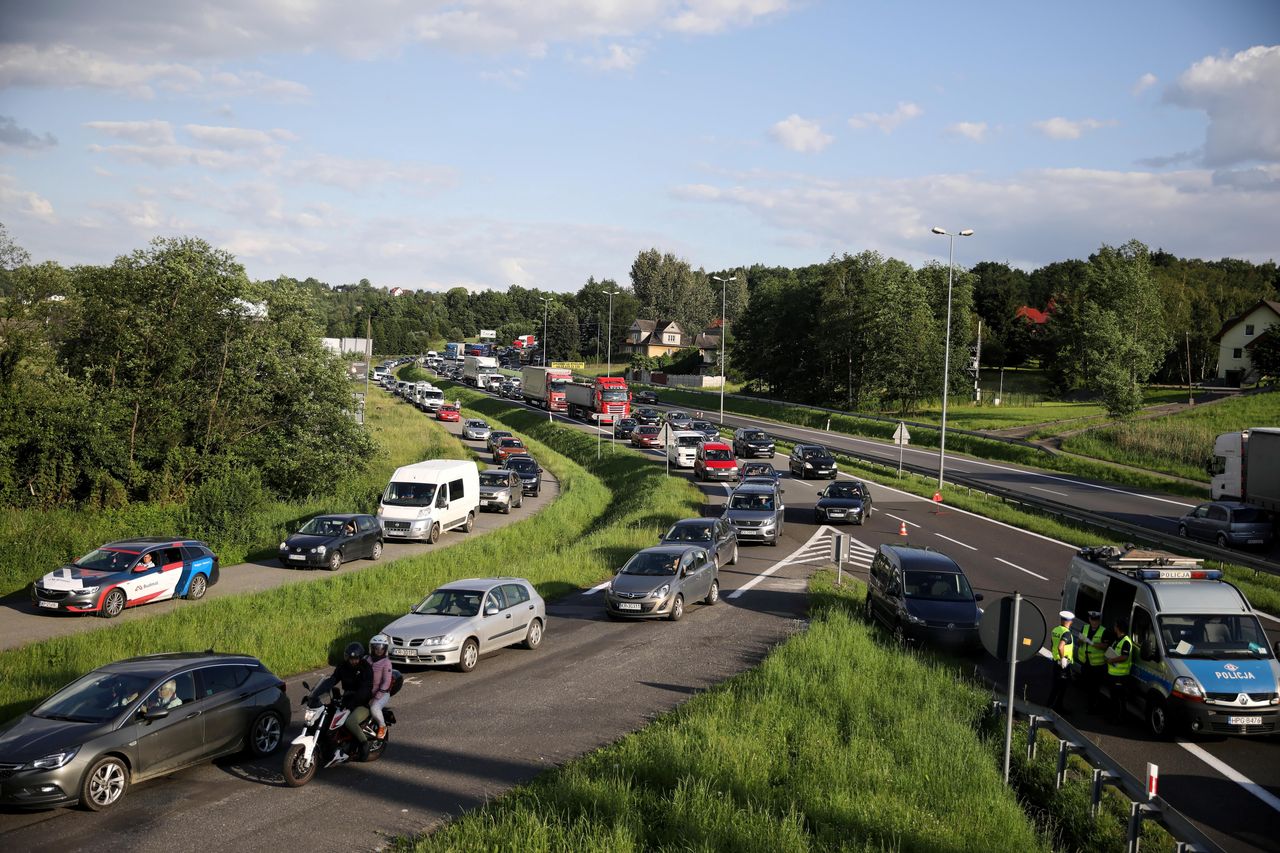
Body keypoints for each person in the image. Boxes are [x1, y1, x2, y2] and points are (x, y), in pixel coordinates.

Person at [329, 641, 374, 763]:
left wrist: (351, 704)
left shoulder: (366, 668)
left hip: (362, 702)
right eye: (350, 658)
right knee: (330, 715)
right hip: (347, 698)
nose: (353, 661)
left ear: (360, 658)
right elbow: (333, 679)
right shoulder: (342, 666)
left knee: (350, 721)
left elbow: (364, 691)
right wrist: (318, 691)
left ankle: (364, 744)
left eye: (356, 658)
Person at [1105, 617, 1135, 724]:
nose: (1114, 627)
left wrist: (1112, 659)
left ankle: (1119, 718)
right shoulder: (1117, 639)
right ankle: (1114, 716)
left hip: (1121, 676)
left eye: (1115, 626)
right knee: (1114, 697)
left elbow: (1124, 656)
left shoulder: (1126, 641)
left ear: (1118, 628)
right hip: (1113, 674)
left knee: (1119, 699)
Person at [1077, 611, 1108, 712]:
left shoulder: (1104, 631)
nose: (1094, 622)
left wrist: (1091, 642)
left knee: (1095, 687)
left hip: (1097, 665)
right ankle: (1090, 703)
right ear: (1089, 619)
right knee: (1087, 685)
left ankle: (1094, 706)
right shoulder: (1085, 628)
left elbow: (1105, 646)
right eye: (1092, 620)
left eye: (1096, 621)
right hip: (1086, 662)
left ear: (1099, 621)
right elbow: (1079, 642)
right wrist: (1081, 640)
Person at [1045, 611, 1075, 712]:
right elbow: (1060, 646)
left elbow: (1052, 645)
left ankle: (1057, 707)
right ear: (1070, 621)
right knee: (1060, 687)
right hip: (1063, 664)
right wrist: (1063, 659)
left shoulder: (1055, 630)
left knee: (1057, 686)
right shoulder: (1066, 633)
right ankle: (1048, 708)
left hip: (1055, 662)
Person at [367, 633, 393, 739]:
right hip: (368, 690)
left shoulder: (386, 663)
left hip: (382, 693)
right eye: (376, 648)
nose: (379, 650)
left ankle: (382, 726)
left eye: (381, 648)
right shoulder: (367, 660)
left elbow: (386, 682)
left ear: (385, 649)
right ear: (372, 648)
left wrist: (377, 696)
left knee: (374, 708)